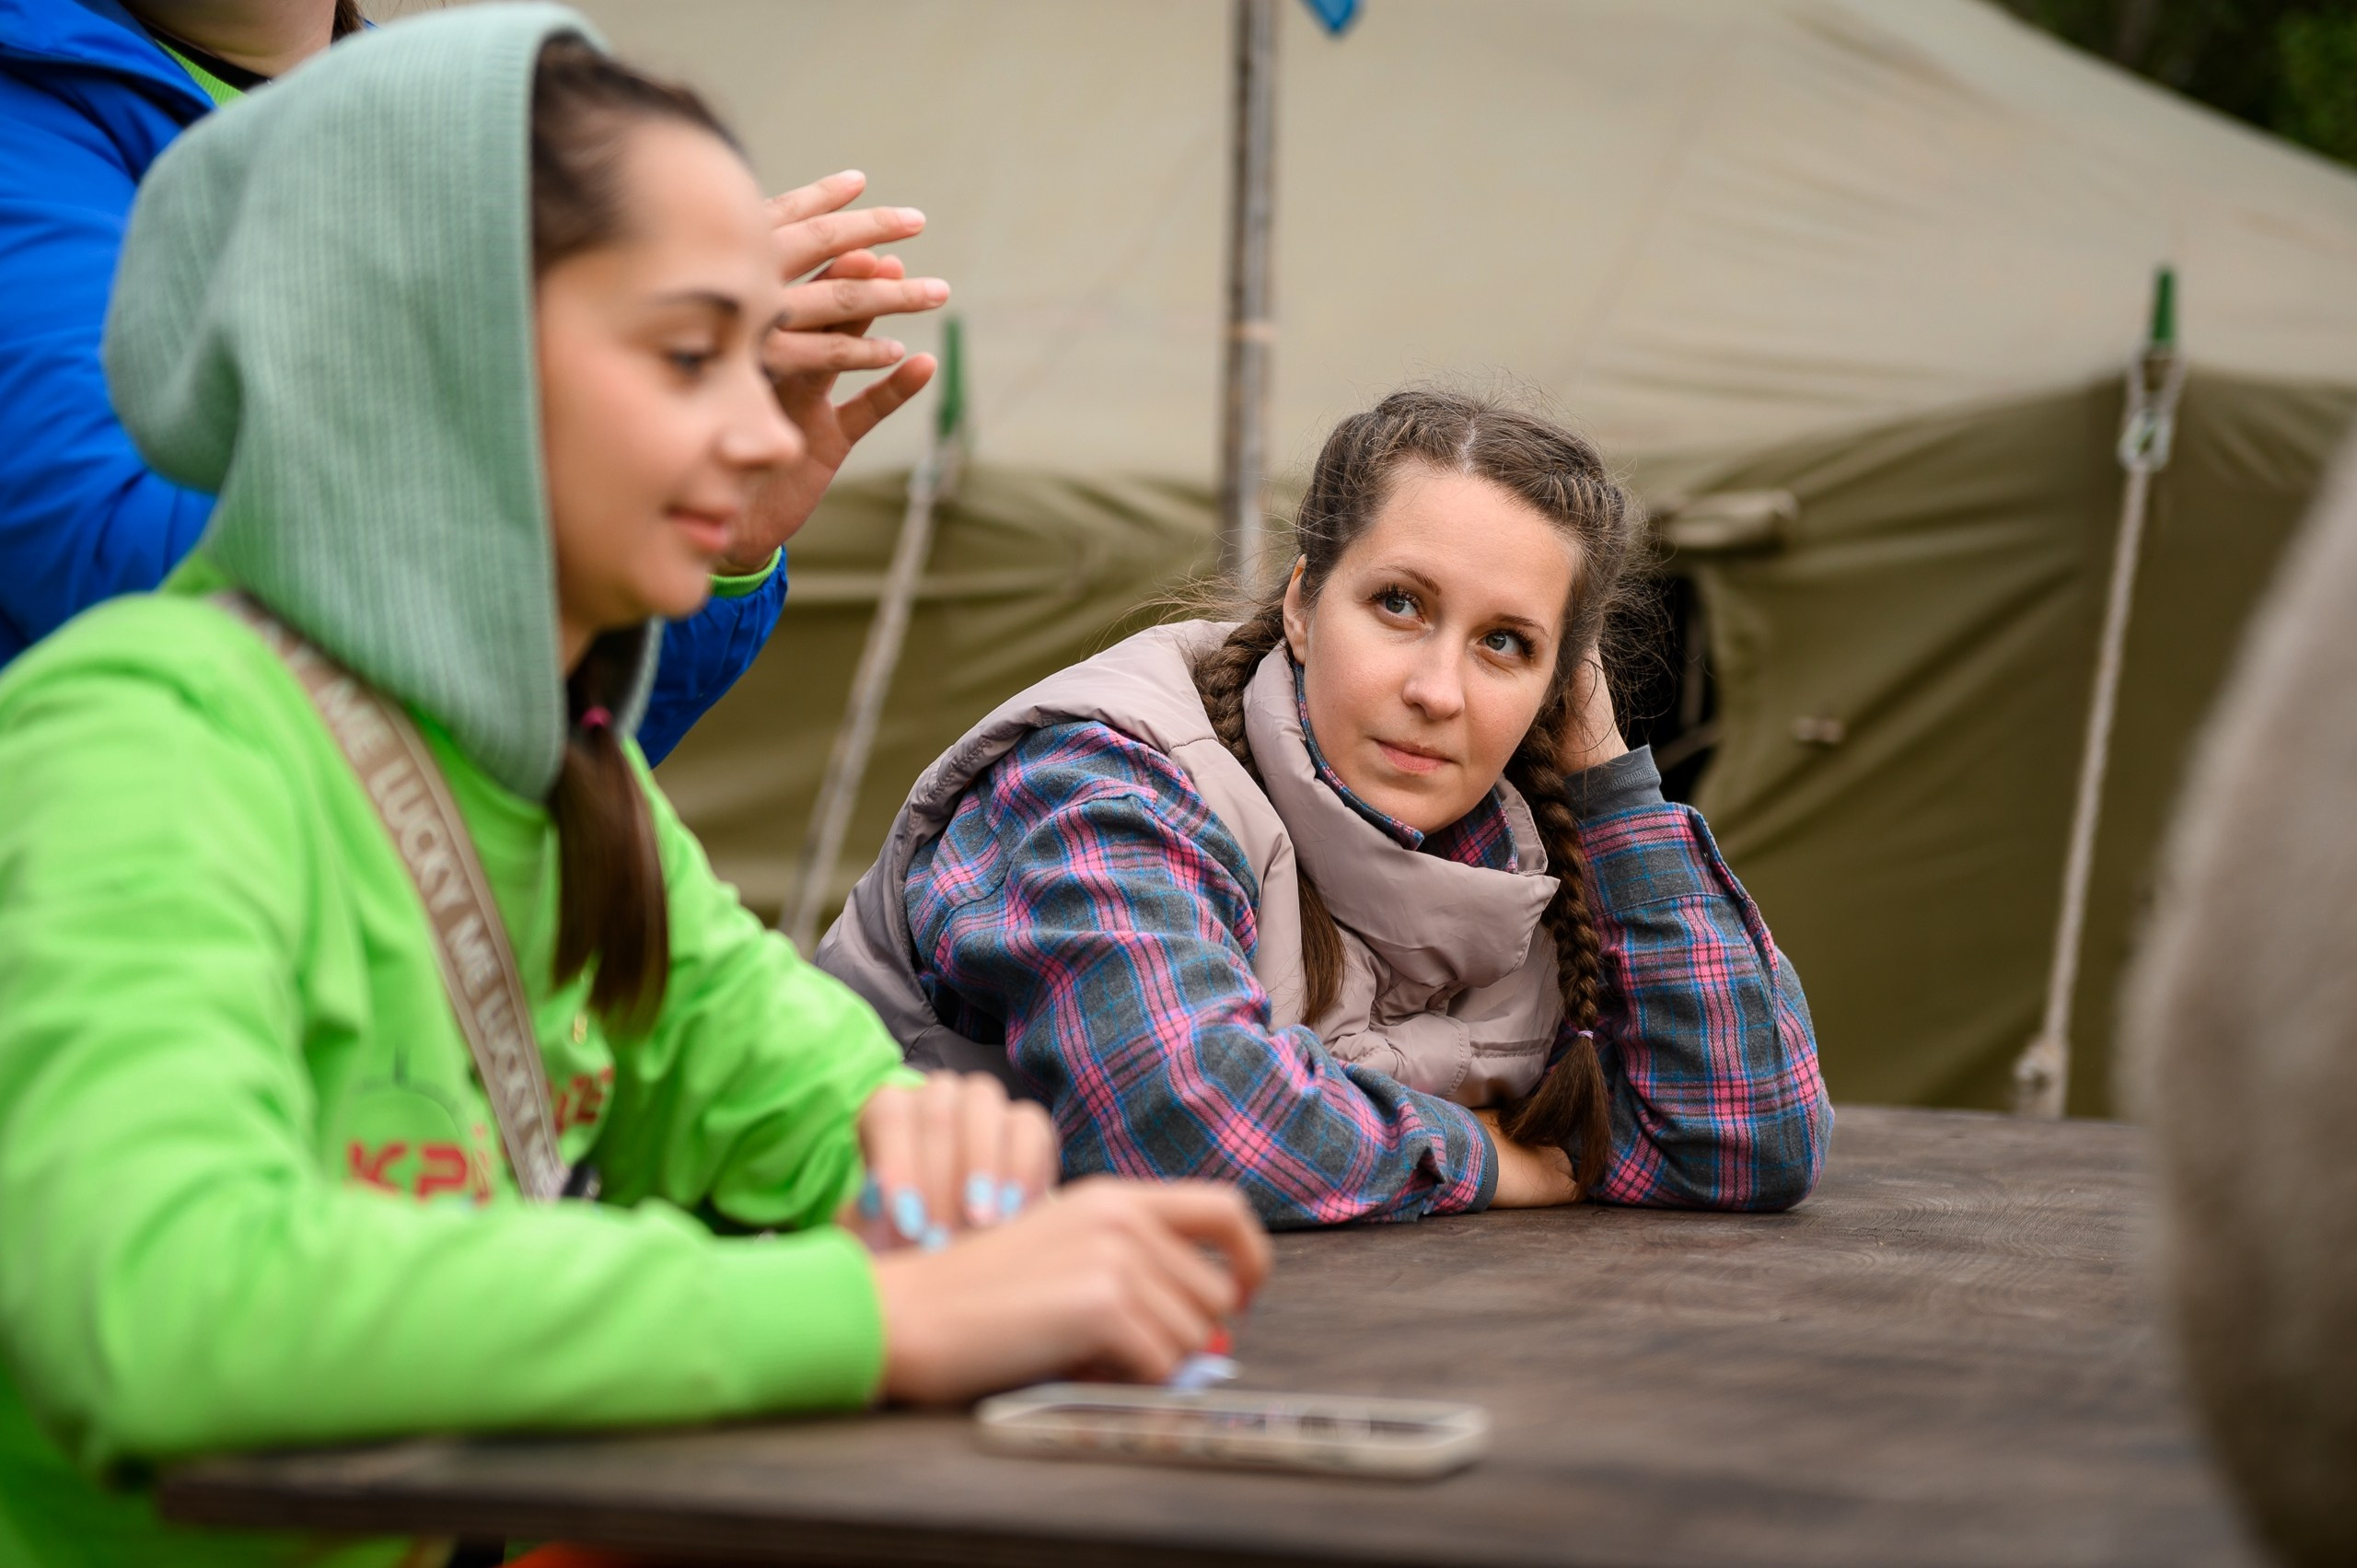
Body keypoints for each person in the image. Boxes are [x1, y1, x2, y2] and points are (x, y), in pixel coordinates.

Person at [0, 13, 1268, 1566]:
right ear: (436, 351)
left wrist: (943, 1156)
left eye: (755, 357)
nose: (759, 429)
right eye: (688, 355)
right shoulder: (144, 735)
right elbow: (160, 1307)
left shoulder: (556, 766)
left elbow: (808, 1094)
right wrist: (874, 1312)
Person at [819, 389, 1831, 1226]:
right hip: (876, 1326)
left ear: (1558, 687)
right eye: (1400, 603)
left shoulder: (1521, 860)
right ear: (1302, 604)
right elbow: (1184, 1125)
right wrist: (1478, 1154)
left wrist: (1606, 781)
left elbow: (1745, 1137)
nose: (1437, 690)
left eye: (1505, 644)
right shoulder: (1102, 780)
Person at [0, 0, 945, 761]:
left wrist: (690, 538)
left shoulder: (481, 115)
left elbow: (553, 775)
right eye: (691, 350)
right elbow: (121, 574)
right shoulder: (30, 123)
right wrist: (568, 395)